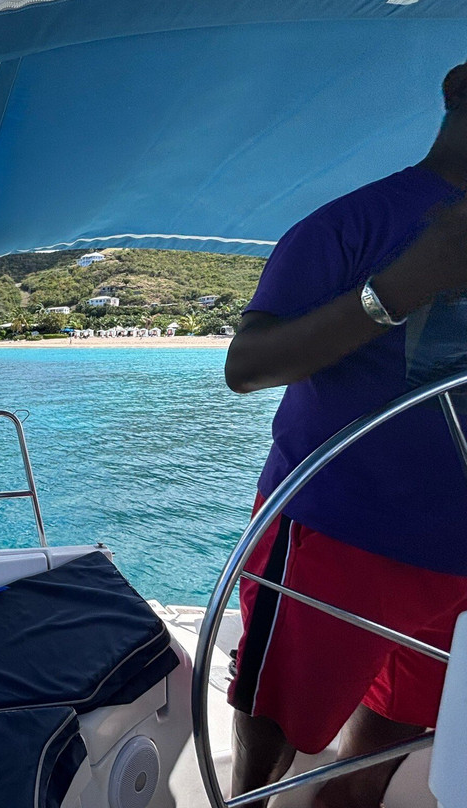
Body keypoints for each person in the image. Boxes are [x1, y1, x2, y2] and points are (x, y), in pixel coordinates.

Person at [224, 60, 467, 808]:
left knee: (383, 754)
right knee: (273, 738)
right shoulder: (353, 223)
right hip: (337, 539)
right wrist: (397, 289)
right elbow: (247, 365)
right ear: (460, 89)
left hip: (456, 562)